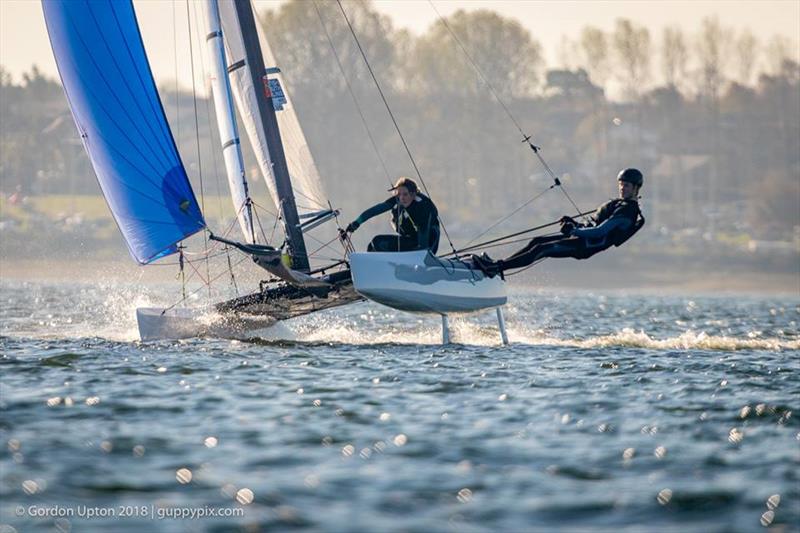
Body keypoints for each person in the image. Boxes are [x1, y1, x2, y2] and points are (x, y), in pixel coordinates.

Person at [472, 168, 645, 277]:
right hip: (582, 239)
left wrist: (573, 231)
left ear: (636, 188)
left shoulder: (628, 211)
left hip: (585, 246)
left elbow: (600, 231)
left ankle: (496, 268)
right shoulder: (619, 204)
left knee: (542, 249)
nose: (622, 188)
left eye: (627, 186)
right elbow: (592, 225)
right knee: (537, 241)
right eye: (621, 184)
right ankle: (497, 266)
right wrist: (574, 224)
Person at [341, 177, 440, 253]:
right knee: (374, 245)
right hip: (411, 241)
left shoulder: (422, 206)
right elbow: (375, 210)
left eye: (405, 194)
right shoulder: (398, 200)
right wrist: (356, 223)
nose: (401, 198)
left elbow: (423, 231)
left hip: (427, 245)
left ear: (413, 194)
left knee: (378, 242)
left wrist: (422, 253)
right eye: (399, 194)